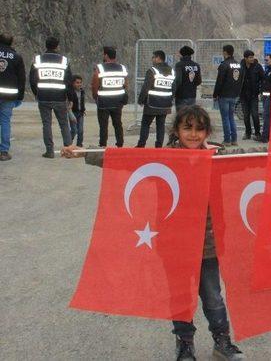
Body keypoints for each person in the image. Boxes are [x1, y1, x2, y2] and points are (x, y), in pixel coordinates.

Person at [62, 105, 246, 360]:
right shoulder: (165, 158)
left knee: (213, 297)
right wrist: (82, 152)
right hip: (174, 244)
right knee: (180, 297)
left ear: (207, 132)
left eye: (200, 129)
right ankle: (185, 344)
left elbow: (249, 156)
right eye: (187, 128)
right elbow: (124, 159)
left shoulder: (218, 156)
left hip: (208, 245)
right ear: (176, 130)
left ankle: (222, 341)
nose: (194, 134)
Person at [30, 36, 73, 158]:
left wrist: (37, 93)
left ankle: (49, 151)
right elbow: (68, 81)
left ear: (46, 45)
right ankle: (69, 150)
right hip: (60, 97)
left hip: (43, 96)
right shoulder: (64, 60)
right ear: (57, 46)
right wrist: (70, 98)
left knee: (47, 124)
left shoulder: (38, 60)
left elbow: (32, 80)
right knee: (64, 124)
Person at [137, 50, 175, 148]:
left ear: (158, 58)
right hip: (165, 104)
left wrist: (141, 100)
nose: (152, 59)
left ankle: (141, 145)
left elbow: (146, 87)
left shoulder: (152, 71)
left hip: (152, 104)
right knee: (160, 125)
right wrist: (170, 99)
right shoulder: (172, 71)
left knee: (145, 124)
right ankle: (158, 146)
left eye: (153, 57)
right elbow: (174, 88)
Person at [91, 46, 127, 148]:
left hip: (103, 102)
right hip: (118, 102)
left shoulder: (100, 68)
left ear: (106, 55)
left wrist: (95, 97)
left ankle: (103, 145)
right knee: (118, 124)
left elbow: (94, 85)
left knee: (103, 125)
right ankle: (120, 144)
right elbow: (125, 84)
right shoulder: (122, 68)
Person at [0, 33, 26, 161]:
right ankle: (4, 151)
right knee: (5, 122)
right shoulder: (16, 56)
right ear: (11, 42)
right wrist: (20, 96)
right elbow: (21, 78)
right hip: (9, 95)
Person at [213, 45, 242, 146]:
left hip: (224, 95)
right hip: (234, 95)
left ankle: (227, 140)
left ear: (225, 52)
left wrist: (215, 94)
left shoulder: (224, 65)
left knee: (225, 118)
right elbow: (240, 81)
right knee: (231, 117)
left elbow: (219, 81)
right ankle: (234, 139)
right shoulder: (238, 65)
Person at [239, 50, 263, 141]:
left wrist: (260, 91)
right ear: (245, 58)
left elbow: (263, 79)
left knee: (255, 115)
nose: (252, 59)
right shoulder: (240, 67)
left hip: (253, 95)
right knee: (246, 115)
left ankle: (257, 133)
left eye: (253, 57)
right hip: (243, 95)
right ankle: (247, 133)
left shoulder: (258, 67)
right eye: (250, 57)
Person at [174, 45, 201, 110]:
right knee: (190, 116)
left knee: (181, 116)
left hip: (181, 95)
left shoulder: (179, 65)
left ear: (182, 54)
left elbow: (178, 80)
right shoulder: (196, 65)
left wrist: (174, 92)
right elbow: (199, 81)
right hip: (192, 95)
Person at [69, 75, 85, 147]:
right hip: (73, 113)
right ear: (73, 83)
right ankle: (68, 143)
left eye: (80, 82)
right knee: (74, 130)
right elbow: (69, 104)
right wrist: (70, 114)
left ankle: (79, 145)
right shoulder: (70, 92)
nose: (79, 84)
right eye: (77, 83)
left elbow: (82, 101)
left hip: (80, 113)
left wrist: (83, 109)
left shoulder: (82, 91)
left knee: (81, 131)